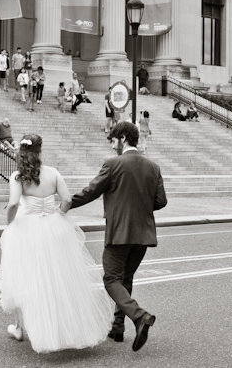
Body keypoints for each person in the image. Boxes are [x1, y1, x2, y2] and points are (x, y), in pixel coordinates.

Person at [0, 134, 114, 353]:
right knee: (59, 278)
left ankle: (19, 326)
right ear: (40, 151)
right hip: (53, 227)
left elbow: (14, 203)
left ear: (21, 152)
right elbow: (68, 199)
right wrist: (59, 214)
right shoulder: (53, 173)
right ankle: (67, 327)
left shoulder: (18, 176)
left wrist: (9, 224)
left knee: (25, 277)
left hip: (27, 229)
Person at [70, 121, 167, 352]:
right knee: (126, 279)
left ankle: (139, 316)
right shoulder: (153, 167)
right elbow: (161, 201)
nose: (113, 145)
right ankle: (117, 327)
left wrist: (67, 203)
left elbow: (91, 191)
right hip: (143, 235)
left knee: (111, 279)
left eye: (113, 140)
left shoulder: (113, 164)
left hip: (119, 234)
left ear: (123, 138)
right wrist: (140, 207)